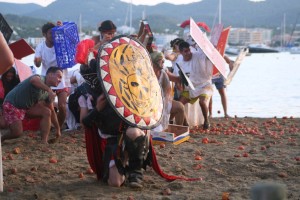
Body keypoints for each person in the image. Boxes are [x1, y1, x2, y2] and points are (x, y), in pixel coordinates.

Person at [1, 67, 62, 144]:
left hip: (25, 108)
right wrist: (49, 90)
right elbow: (33, 80)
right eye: (59, 76)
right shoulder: (40, 78)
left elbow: (52, 111)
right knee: (17, 133)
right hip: (12, 104)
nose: (60, 80)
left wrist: (58, 129)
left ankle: (44, 141)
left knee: (47, 112)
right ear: (49, 75)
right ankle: (2, 137)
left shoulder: (48, 93)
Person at [34, 22, 70, 129]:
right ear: (44, 34)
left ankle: (58, 127)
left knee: (62, 107)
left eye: (55, 32)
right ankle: (49, 127)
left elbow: (70, 42)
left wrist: (62, 28)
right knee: (47, 108)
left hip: (61, 80)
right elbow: (37, 63)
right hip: (47, 80)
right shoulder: (40, 47)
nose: (53, 35)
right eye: (50, 33)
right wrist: (37, 61)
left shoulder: (61, 44)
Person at [177, 41, 214, 130]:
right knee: (179, 104)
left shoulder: (198, 55)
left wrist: (199, 43)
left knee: (202, 102)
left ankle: (206, 121)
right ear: (181, 52)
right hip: (191, 87)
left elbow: (206, 51)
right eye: (185, 51)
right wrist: (179, 86)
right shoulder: (180, 63)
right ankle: (185, 124)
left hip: (205, 84)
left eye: (189, 50)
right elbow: (179, 77)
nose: (188, 53)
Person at [150, 51, 188, 130]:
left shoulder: (163, 73)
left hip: (162, 100)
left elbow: (168, 90)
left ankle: (178, 130)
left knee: (180, 107)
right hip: (149, 103)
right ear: (154, 62)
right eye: (161, 60)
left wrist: (165, 101)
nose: (163, 61)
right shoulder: (147, 73)